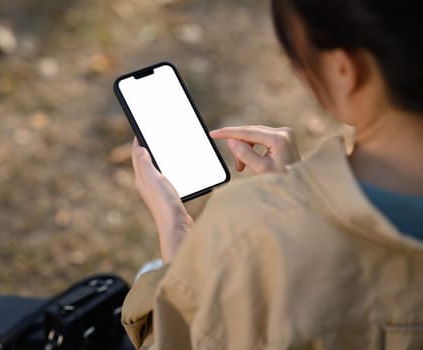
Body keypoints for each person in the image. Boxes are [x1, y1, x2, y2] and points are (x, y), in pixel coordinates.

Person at [122, 0, 423, 349]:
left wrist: (176, 241)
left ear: (345, 70)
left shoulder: (248, 233)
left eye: (296, 55)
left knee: (149, 270)